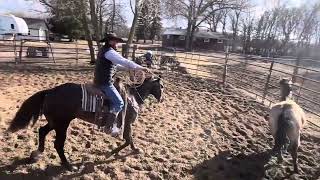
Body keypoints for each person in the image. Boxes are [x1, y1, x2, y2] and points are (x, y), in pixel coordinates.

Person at [94, 33, 149, 137]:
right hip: (105, 82)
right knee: (119, 103)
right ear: (110, 42)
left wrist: (130, 68)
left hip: (100, 80)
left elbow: (116, 65)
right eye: (116, 41)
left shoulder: (104, 50)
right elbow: (124, 61)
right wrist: (139, 68)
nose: (117, 44)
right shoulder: (110, 52)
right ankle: (109, 127)